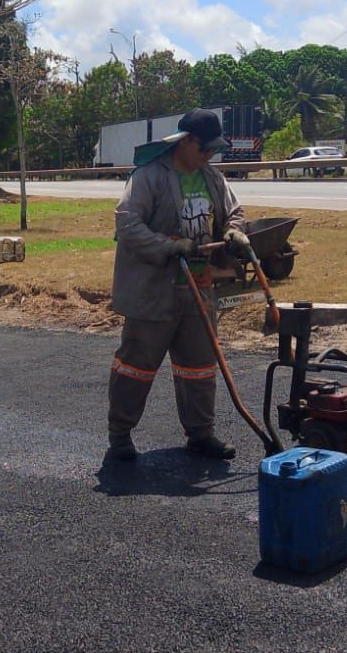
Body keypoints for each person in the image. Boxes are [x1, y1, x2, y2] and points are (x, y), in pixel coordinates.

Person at [105, 109, 253, 463]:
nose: (210, 155)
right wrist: (169, 246)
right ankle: (120, 435)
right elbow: (127, 224)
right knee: (136, 365)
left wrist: (234, 230)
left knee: (199, 366)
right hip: (154, 291)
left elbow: (234, 212)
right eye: (205, 148)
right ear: (185, 141)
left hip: (198, 288)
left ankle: (201, 434)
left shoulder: (213, 178)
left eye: (214, 149)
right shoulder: (149, 177)